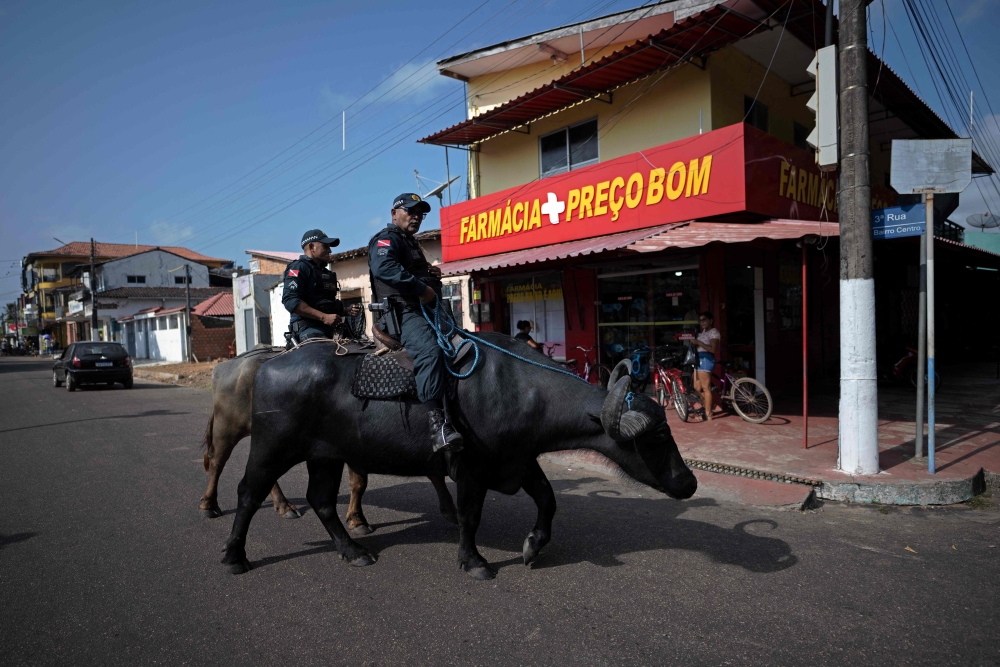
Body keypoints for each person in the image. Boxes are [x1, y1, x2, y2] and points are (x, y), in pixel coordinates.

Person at [368, 193, 463, 454]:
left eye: (420, 212)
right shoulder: (387, 239)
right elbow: (384, 268)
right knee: (429, 351)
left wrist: (429, 273)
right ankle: (437, 425)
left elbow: (408, 270)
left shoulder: (409, 242)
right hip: (403, 315)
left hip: (425, 311)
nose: (416, 216)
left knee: (464, 345)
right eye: (410, 211)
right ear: (394, 213)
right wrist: (422, 288)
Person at [282, 229, 360, 343]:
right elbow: (290, 300)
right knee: (324, 355)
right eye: (325, 246)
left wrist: (345, 310)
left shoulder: (325, 272)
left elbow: (325, 303)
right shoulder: (298, 268)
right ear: (312, 246)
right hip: (307, 327)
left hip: (330, 327)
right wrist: (324, 317)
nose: (330, 250)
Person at [691, 311, 721, 422]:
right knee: (697, 387)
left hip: (706, 358)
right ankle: (707, 407)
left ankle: (708, 414)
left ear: (711, 321)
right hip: (698, 359)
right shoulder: (702, 332)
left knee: (705, 388)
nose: (702, 322)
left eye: (704, 320)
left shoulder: (714, 333)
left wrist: (698, 343)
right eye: (700, 320)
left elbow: (713, 349)